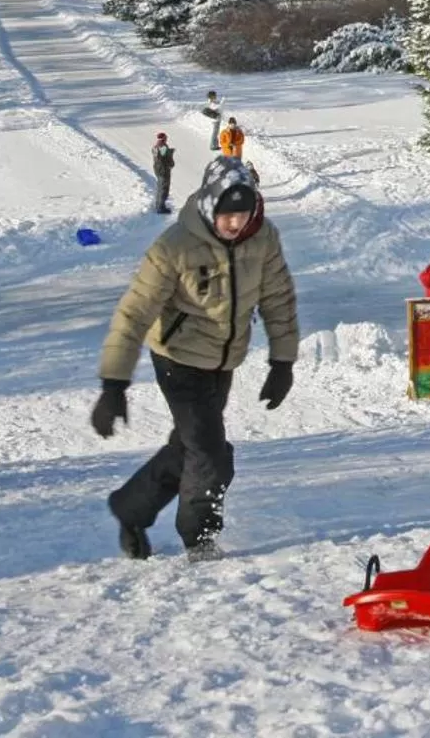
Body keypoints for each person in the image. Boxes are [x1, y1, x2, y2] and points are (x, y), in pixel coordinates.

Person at [91, 155, 299, 561]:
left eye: (244, 212)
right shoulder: (174, 247)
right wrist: (113, 385)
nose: (236, 223)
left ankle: (130, 508)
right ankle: (199, 537)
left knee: (189, 447)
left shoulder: (264, 238)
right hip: (178, 360)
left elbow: (278, 297)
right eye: (227, 214)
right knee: (211, 455)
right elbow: (134, 313)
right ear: (209, 204)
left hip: (223, 362)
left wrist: (283, 361)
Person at [150, 132, 176, 214]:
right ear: (164, 139)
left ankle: (158, 205)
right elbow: (165, 159)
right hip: (163, 170)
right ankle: (160, 207)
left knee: (160, 187)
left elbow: (160, 156)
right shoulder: (163, 147)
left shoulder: (156, 146)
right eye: (166, 138)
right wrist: (171, 153)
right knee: (164, 189)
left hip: (158, 169)